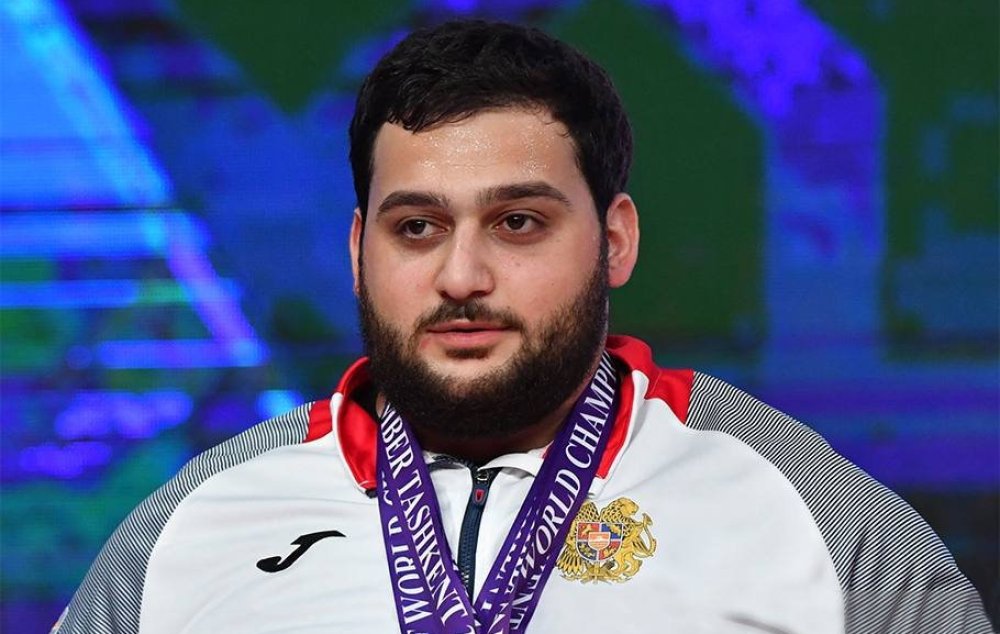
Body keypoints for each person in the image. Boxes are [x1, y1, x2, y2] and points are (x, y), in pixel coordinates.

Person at [54, 19, 991, 634]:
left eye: (518, 223)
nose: (461, 277)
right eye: (416, 228)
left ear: (615, 240)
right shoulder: (194, 522)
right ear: (356, 249)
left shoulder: (805, 508)